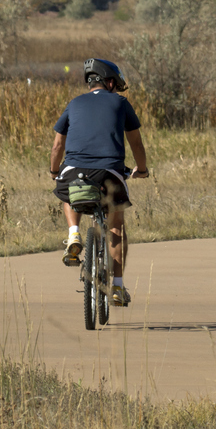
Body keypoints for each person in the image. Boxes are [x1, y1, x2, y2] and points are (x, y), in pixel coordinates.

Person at [50, 58, 149, 306]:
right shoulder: (121, 102)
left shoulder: (74, 104)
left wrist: (54, 172)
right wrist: (143, 169)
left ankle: (74, 234)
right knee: (116, 227)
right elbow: (136, 143)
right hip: (110, 173)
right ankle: (116, 287)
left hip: (74, 170)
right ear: (111, 82)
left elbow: (57, 145)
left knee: (68, 194)